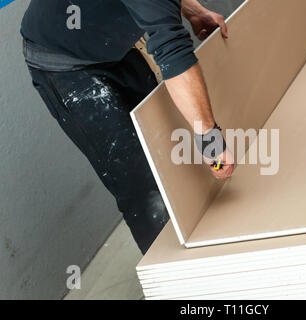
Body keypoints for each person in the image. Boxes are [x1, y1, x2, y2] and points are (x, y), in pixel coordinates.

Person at [21, 0, 235, 254]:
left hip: (114, 44)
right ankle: (171, 276)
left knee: (166, 155)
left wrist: (193, 9)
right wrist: (211, 142)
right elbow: (173, 50)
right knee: (143, 188)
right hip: (64, 61)